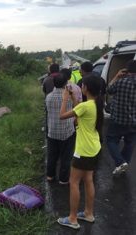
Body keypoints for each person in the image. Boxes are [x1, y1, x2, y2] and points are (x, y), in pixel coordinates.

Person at [57, 74, 104, 230]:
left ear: (86, 88)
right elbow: (79, 113)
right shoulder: (95, 103)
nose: (81, 87)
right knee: (88, 180)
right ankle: (89, 214)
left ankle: (72, 218)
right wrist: (72, 98)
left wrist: (64, 97)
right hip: (94, 147)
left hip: (83, 150)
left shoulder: (86, 106)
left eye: (83, 85)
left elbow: (62, 116)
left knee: (74, 182)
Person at [106, 60, 136, 175]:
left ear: (127, 71)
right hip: (134, 121)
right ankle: (124, 164)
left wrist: (116, 76)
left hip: (118, 119)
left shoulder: (121, 82)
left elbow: (108, 89)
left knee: (111, 140)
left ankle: (120, 162)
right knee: (130, 143)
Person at [45, 73, 76, 184]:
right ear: (66, 84)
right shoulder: (67, 98)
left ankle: (50, 175)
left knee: (52, 155)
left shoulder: (48, 97)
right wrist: (72, 95)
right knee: (66, 157)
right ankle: (63, 179)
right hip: (66, 131)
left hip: (52, 131)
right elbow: (76, 108)